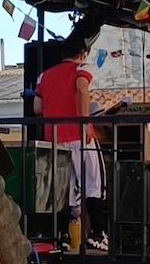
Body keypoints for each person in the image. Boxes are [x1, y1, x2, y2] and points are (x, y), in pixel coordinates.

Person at [34, 38, 108, 250]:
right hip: (77, 135)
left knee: (65, 189)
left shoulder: (44, 76)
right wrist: (85, 123)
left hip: (55, 139)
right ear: (83, 54)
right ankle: (98, 234)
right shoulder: (81, 68)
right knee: (95, 183)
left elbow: (37, 107)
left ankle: (63, 237)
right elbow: (82, 88)